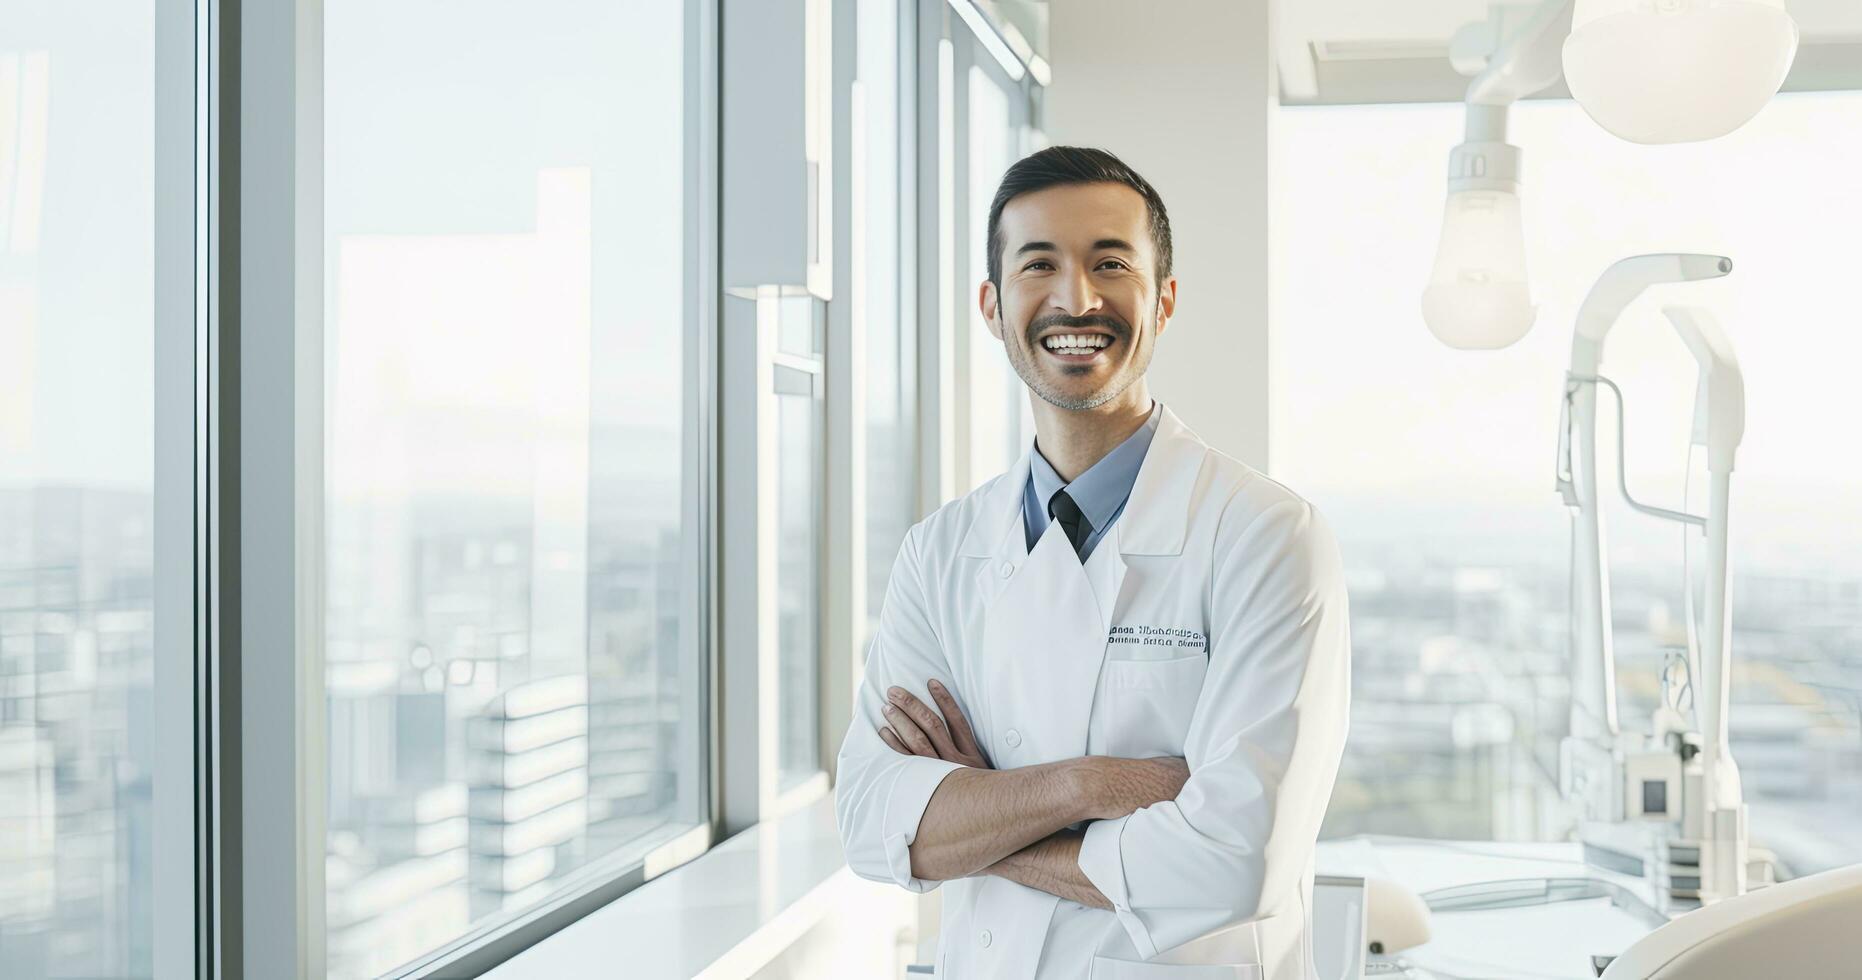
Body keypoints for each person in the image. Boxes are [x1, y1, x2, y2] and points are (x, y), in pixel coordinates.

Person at [834, 145, 1350, 979]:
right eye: (1040, 264)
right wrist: (1090, 786)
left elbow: (1232, 862)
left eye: (1111, 262)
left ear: (1165, 299)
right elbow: (869, 823)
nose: (1078, 297)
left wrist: (974, 818)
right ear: (993, 306)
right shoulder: (939, 553)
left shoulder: (1265, 537)